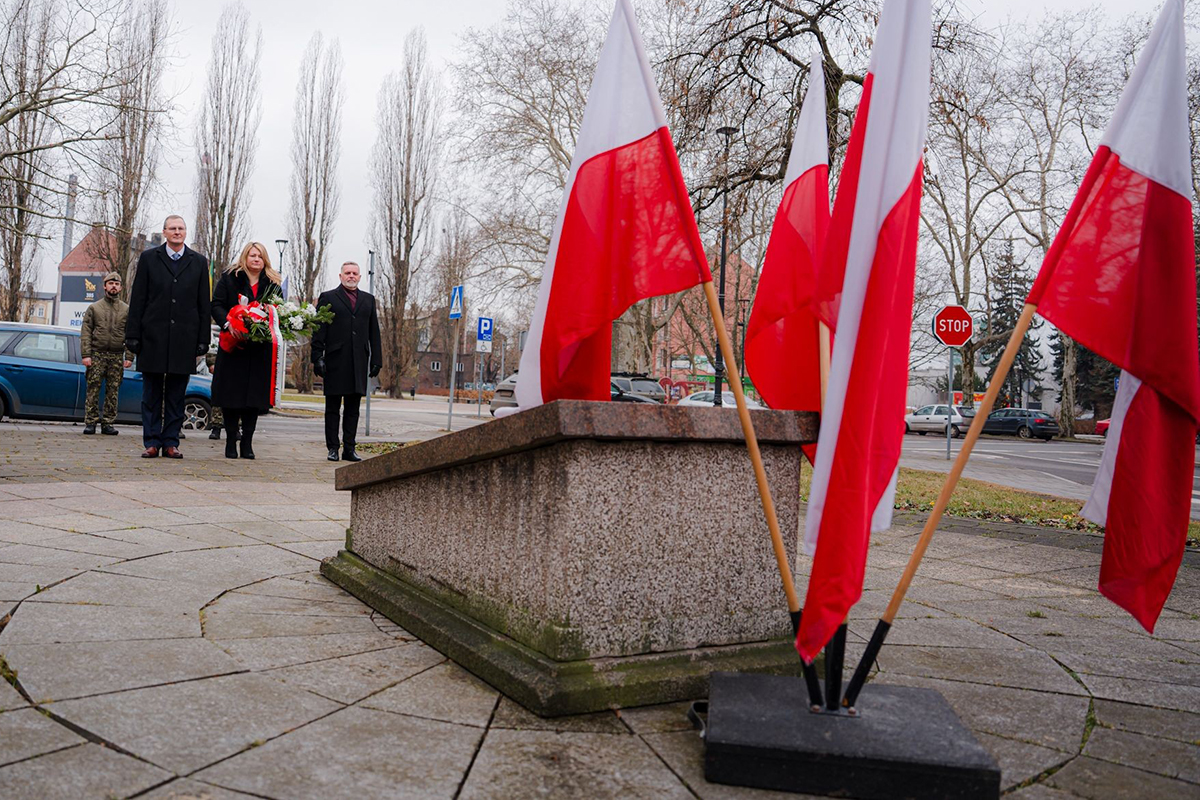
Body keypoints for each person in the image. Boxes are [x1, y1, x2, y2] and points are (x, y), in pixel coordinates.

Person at [125, 215, 211, 459]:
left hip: (184, 339)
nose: (177, 232)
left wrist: (203, 339)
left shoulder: (198, 262)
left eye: (181, 228)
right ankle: (151, 441)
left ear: (186, 233)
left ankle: (171, 442)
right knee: (151, 394)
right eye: (172, 228)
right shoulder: (149, 259)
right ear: (164, 232)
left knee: (176, 395)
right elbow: (138, 299)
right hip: (153, 336)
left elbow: (203, 304)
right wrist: (132, 335)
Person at [210, 242, 283, 459]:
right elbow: (217, 305)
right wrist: (229, 324)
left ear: (265, 260)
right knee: (231, 398)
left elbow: (278, 312)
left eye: (260, 256)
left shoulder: (272, 284)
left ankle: (248, 444)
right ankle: (231, 441)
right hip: (233, 346)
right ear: (245, 257)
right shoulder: (230, 278)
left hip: (259, 351)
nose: (256, 259)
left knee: (253, 399)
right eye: (252, 255)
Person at [312, 261, 381, 462]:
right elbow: (319, 329)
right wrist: (317, 357)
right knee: (332, 408)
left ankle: (349, 448)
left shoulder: (369, 300)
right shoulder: (328, 297)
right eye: (347, 273)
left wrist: (377, 359)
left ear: (360, 277)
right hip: (335, 361)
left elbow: (374, 332)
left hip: (358, 361)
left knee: (353, 409)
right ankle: (332, 447)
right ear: (341, 276)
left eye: (355, 273)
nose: (351, 276)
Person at [80, 272, 133, 435]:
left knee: (113, 390)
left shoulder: (126, 309)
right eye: (111, 283)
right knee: (93, 389)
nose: (114, 286)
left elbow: (130, 334)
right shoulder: (94, 308)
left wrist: (129, 356)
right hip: (97, 354)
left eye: (117, 284)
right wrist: (86, 355)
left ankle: (108, 423)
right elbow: (86, 332)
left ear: (121, 288)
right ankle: (90, 422)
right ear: (105, 286)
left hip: (116, 356)